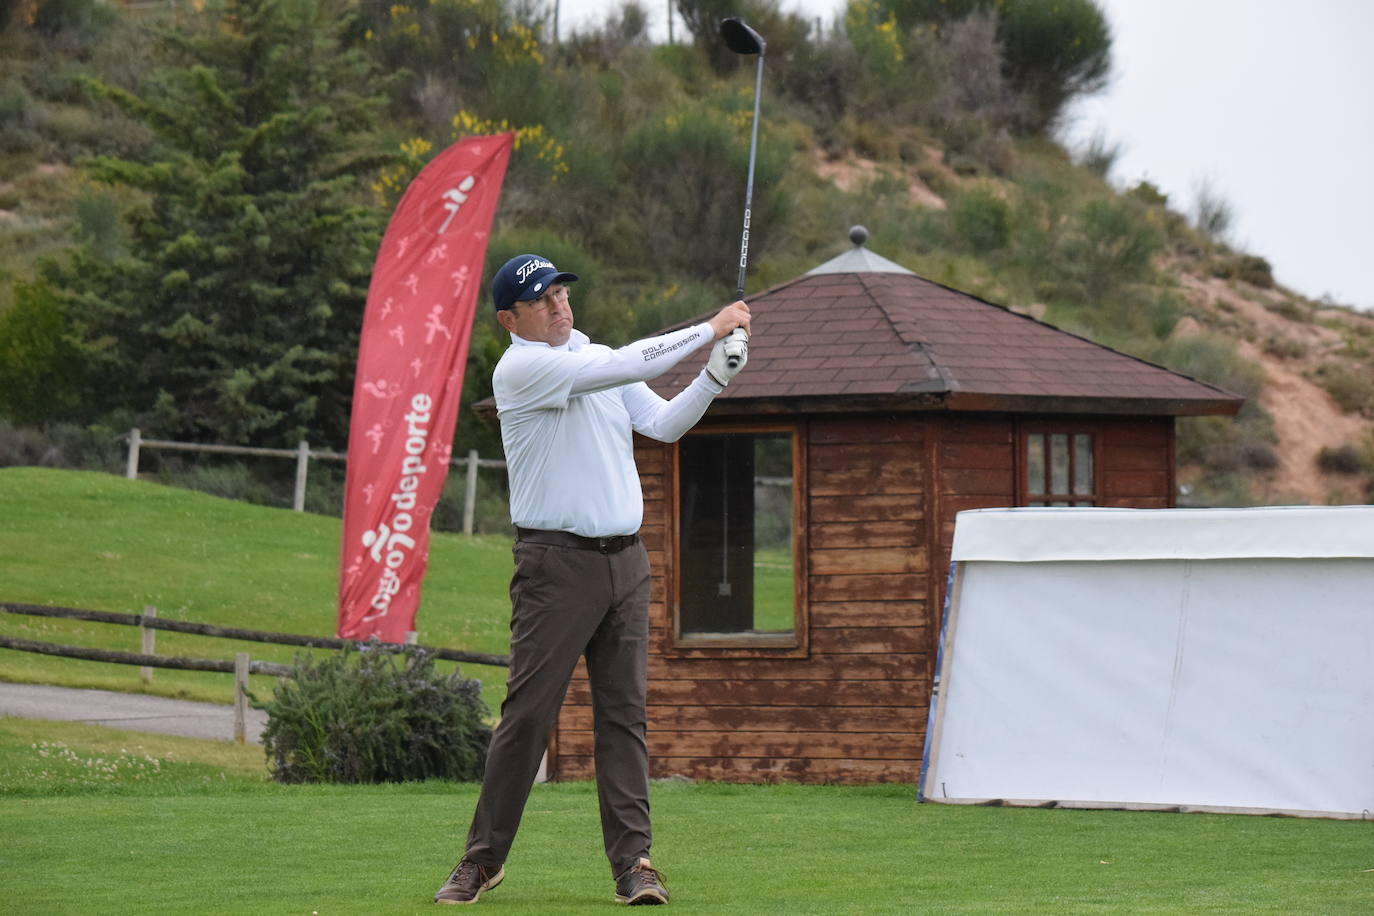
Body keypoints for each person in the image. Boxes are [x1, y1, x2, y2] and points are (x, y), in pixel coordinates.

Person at [434, 254, 751, 906]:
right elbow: (630, 363)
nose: (558, 305)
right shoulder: (522, 369)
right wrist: (711, 329)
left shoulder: (595, 356)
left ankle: (635, 867)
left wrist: (715, 379)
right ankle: (481, 860)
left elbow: (662, 424)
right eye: (541, 299)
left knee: (624, 719)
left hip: (625, 565)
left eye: (560, 293)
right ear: (509, 319)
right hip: (556, 566)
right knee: (527, 717)